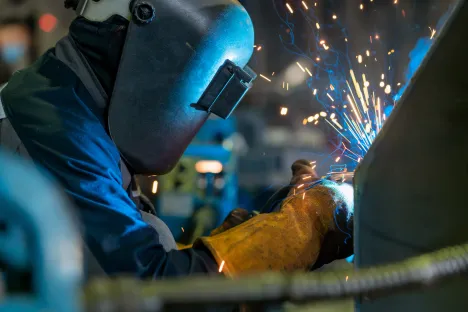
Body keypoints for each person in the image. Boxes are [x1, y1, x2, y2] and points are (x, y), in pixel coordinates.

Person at [0, 0, 353, 278]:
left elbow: (130, 261)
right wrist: (301, 230)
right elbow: (150, 293)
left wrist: (244, 239)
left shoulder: (69, 108)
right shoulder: (58, 131)